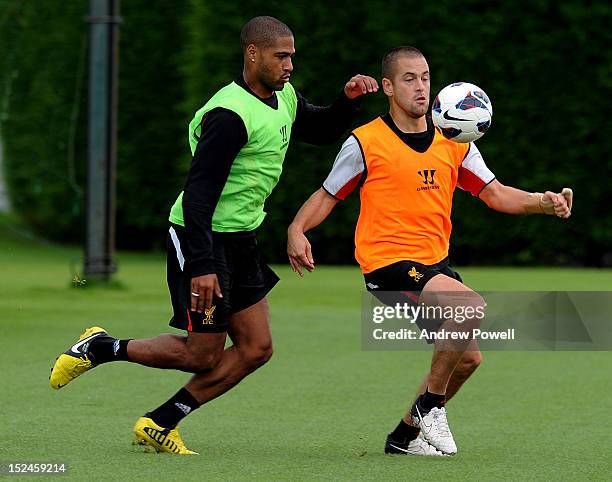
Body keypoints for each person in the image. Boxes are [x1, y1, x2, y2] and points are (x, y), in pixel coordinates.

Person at [49, 16, 378, 455]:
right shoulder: (228, 115)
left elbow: (317, 128)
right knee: (201, 354)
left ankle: (160, 423)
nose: (289, 65)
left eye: (292, 56)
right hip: (200, 236)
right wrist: (202, 266)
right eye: (281, 56)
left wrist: (347, 101)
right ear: (253, 53)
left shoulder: (284, 99)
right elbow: (199, 195)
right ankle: (102, 347)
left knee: (256, 348)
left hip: (241, 239)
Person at [287, 46, 573, 457]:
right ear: (387, 86)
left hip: (434, 265)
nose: (420, 86)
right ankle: (430, 407)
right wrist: (297, 229)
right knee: (468, 306)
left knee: (469, 360)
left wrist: (542, 202)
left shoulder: (454, 137)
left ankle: (402, 438)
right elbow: (327, 195)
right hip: (386, 264)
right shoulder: (365, 142)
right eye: (408, 78)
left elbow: (496, 194)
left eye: (424, 77)